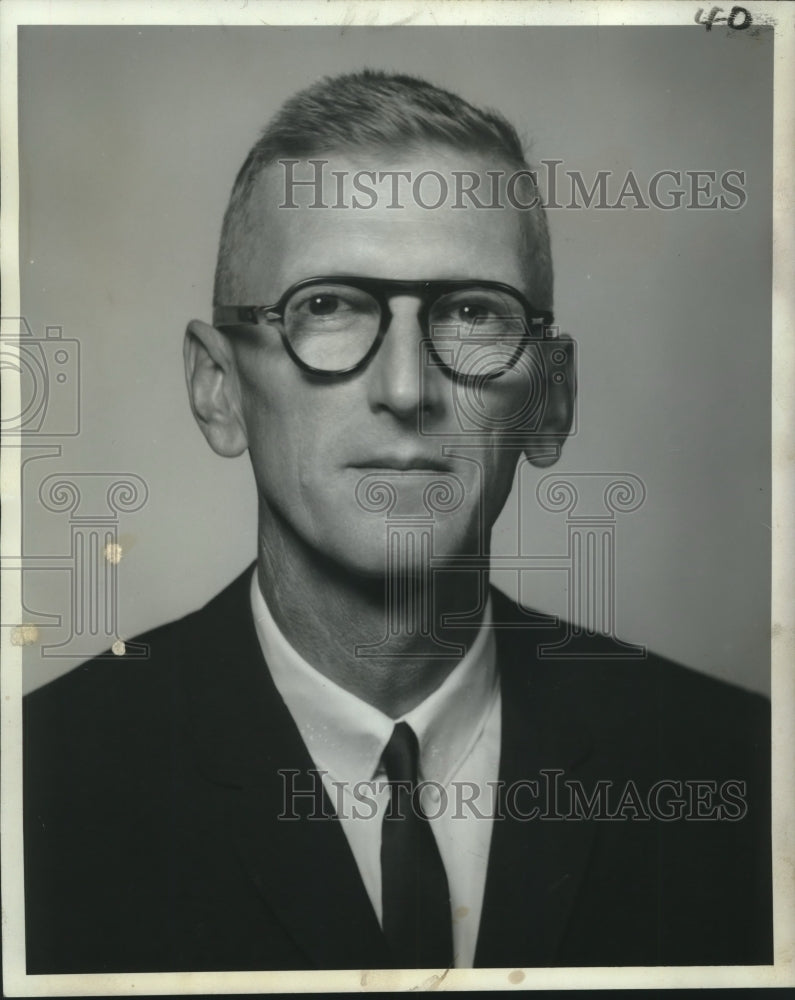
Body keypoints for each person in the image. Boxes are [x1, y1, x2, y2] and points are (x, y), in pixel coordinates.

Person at [23, 70, 771, 973]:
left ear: (549, 398)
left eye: (469, 313)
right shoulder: (35, 786)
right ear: (218, 388)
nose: (407, 390)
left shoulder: (747, 774)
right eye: (328, 307)